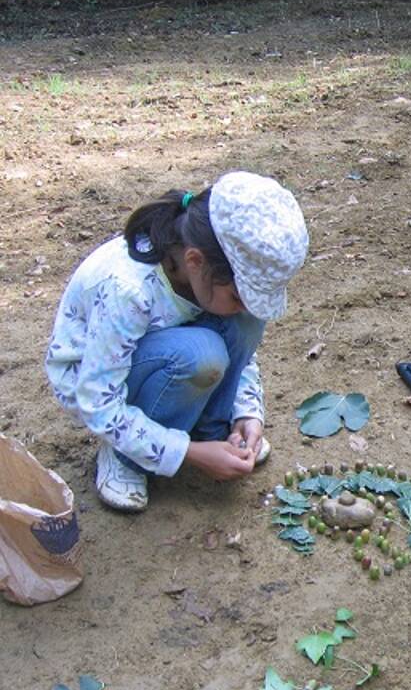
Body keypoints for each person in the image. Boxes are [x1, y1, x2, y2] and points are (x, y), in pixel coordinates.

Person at [45, 171, 308, 511]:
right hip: (100, 387)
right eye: (239, 295)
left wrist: (247, 412)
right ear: (196, 261)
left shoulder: (202, 276)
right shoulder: (128, 291)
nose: (244, 305)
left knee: (245, 322)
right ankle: (127, 458)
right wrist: (187, 454)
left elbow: (242, 347)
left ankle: (212, 430)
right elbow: (97, 401)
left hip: (158, 358)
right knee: (201, 355)